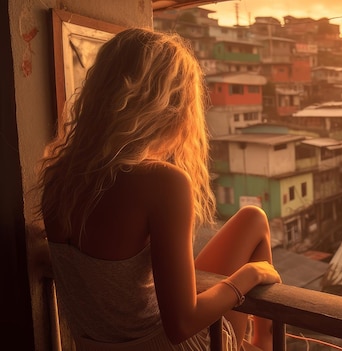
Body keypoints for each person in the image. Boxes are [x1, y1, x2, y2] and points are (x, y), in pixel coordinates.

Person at [36, 28, 281, 350]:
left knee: (251, 218)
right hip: (170, 345)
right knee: (254, 220)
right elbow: (180, 324)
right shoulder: (160, 181)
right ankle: (262, 344)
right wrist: (247, 276)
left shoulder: (59, 177)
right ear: (170, 104)